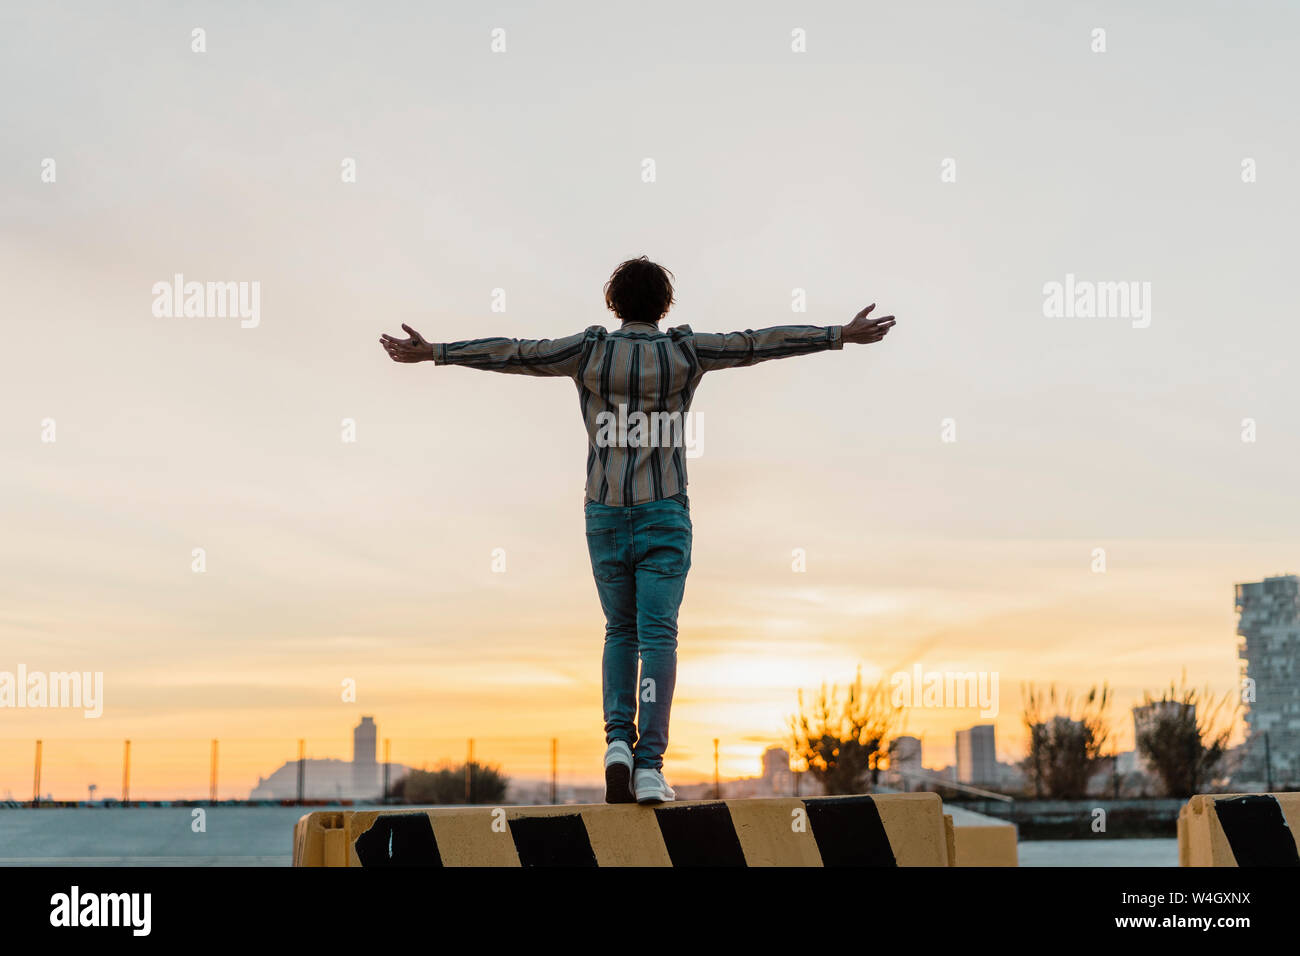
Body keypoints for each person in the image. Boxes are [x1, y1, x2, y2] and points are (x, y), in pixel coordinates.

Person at [380, 256, 896, 804]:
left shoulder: (590, 351)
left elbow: (516, 352)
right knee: (659, 638)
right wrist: (839, 334)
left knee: (619, 632)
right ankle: (649, 765)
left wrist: (435, 352)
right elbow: (757, 343)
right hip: (664, 513)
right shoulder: (685, 352)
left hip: (604, 514)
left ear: (613, 303)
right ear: (664, 306)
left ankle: (617, 745)